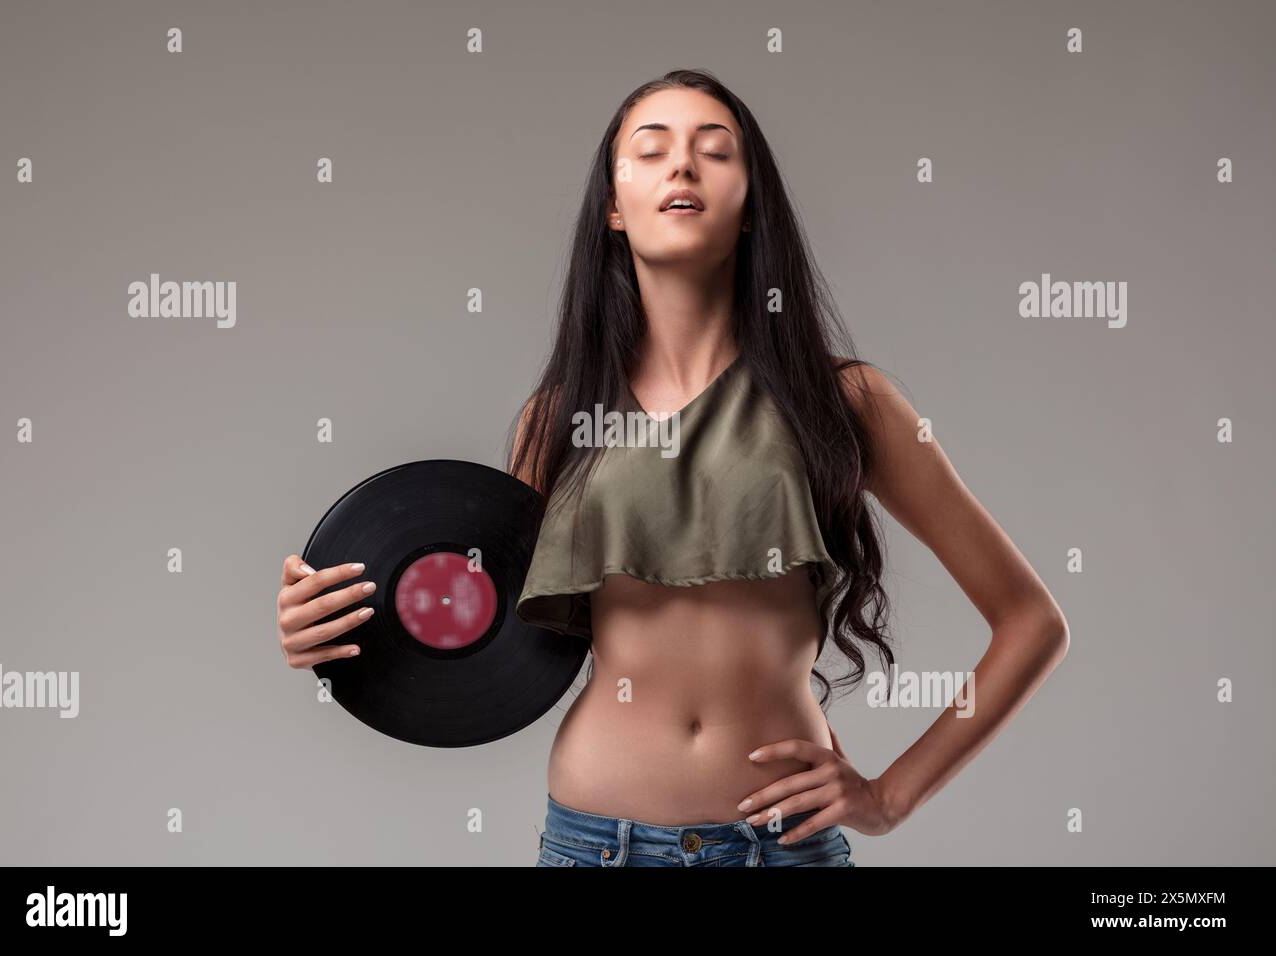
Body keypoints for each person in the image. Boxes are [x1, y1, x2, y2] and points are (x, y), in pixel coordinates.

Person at [276, 69, 1069, 867]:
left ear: (752, 203)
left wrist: (890, 798)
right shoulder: (556, 421)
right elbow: (488, 637)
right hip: (594, 843)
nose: (682, 167)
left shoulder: (847, 402)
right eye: (651, 151)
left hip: (779, 850)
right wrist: (335, 634)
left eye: (713, 151)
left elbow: (1031, 620)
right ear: (615, 210)